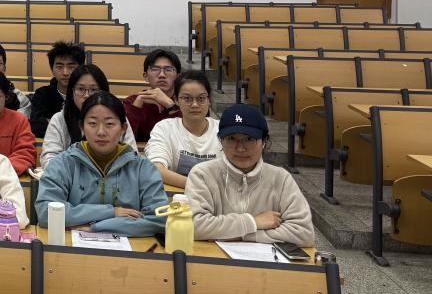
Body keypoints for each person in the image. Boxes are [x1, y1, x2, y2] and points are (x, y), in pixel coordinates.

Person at [35, 92, 167, 237]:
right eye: (92, 124)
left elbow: (160, 219)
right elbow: (46, 212)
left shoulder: (143, 168)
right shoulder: (63, 164)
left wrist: (97, 227)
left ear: (123, 128)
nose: (101, 132)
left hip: (132, 247)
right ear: (82, 127)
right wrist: (111, 212)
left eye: (109, 124)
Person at [185, 105, 314, 246]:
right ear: (221, 141)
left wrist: (241, 235)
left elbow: (304, 233)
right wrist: (253, 222)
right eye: (232, 138)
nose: (240, 148)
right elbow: (193, 225)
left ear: (264, 141)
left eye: (249, 139)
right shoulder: (202, 174)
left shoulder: (281, 179)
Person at [40, 64, 137, 168]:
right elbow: (49, 159)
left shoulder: (117, 118)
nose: (86, 95)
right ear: (72, 91)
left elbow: (132, 156)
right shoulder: (59, 119)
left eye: (93, 90)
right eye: (81, 89)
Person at [144, 70, 220, 188]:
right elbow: (156, 169)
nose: (194, 104)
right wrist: (200, 186)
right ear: (176, 100)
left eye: (201, 98)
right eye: (187, 98)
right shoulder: (165, 128)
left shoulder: (222, 129)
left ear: (209, 100)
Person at [123, 49, 182, 141]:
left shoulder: (185, 101)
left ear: (178, 76)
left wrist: (170, 105)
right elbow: (123, 139)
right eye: (155, 69)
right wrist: (137, 106)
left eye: (168, 70)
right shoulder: (131, 102)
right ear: (146, 76)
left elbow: (185, 137)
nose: (162, 75)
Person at [28, 41, 85, 138]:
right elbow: (36, 126)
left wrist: (51, 123)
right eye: (59, 67)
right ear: (52, 69)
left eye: (71, 67)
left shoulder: (87, 94)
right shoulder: (42, 94)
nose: (65, 72)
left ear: (80, 68)